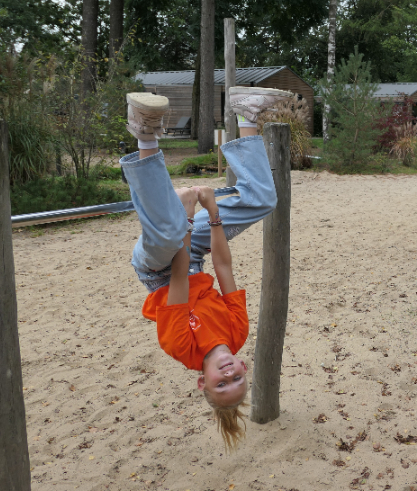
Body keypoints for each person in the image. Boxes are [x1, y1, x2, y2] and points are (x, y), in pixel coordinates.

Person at [120, 87, 293, 450]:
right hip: (195, 258)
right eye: (237, 380)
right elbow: (223, 265)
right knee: (263, 201)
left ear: (203, 382)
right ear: (245, 368)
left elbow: (178, 274)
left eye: (221, 384)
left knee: (168, 231)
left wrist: (185, 215)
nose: (229, 375)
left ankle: (145, 133)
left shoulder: (180, 346)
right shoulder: (238, 332)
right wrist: (213, 215)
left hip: (158, 271)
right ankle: (246, 114)